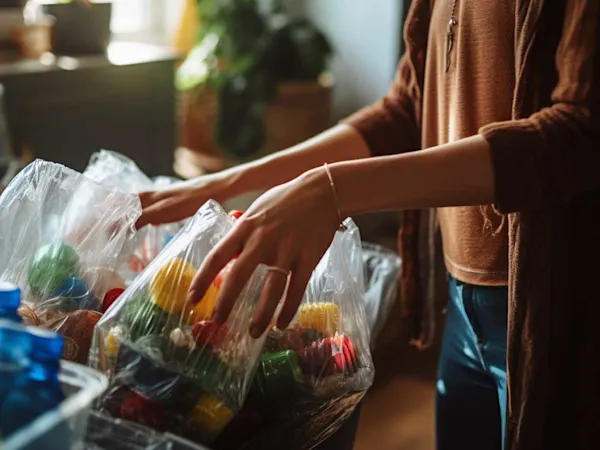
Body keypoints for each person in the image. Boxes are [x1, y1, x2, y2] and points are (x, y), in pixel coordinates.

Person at [138, 1, 600, 449]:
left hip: (556, 306)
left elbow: (578, 132)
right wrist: (228, 182)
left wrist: (333, 191)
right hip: (462, 304)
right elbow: (407, 110)